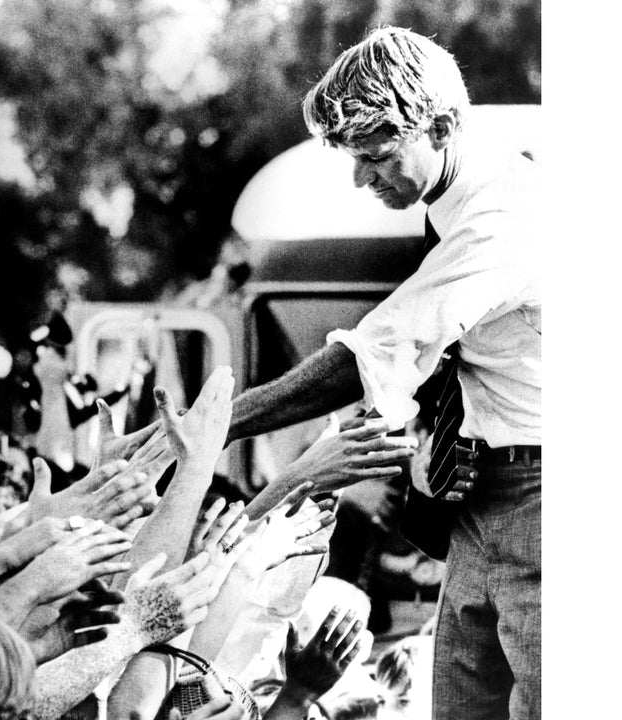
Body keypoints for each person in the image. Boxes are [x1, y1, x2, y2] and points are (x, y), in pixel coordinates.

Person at [222, 26, 541, 720]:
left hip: (541, 500)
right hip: (478, 501)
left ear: (444, 125)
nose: (364, 180)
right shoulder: (452, 210)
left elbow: (376, 350)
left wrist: (222, 421)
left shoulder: (506, 213)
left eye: (377, 157)